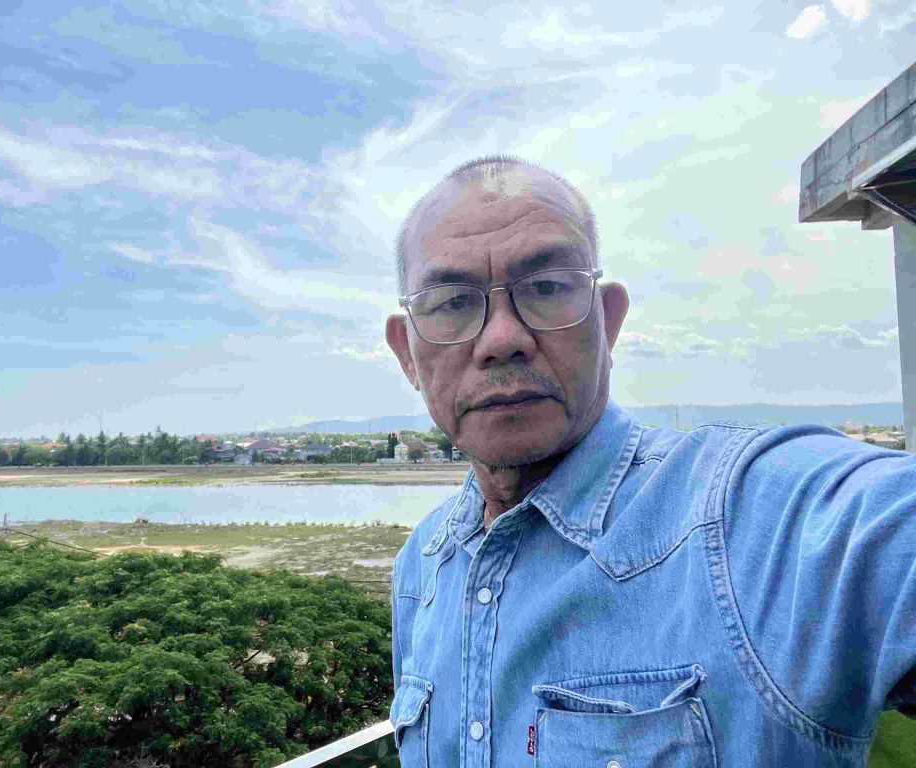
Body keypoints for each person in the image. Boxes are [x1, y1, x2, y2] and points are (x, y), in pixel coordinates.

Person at [384, 155, 916, 766]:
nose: (502, 338)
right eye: (452, 301)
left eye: (547, 287)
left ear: (608, 322)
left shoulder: (741, 518)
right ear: (407, 355)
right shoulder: (422, 565)